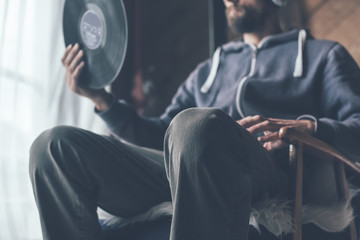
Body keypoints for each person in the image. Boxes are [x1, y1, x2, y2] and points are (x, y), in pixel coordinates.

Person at [29, 0, 360, 239]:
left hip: (266, 170)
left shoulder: (324, 56)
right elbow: (158, 133)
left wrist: (311, 127)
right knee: (54, 147)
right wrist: (101, 98)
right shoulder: (207, 72)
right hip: (187, 166)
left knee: (198, 126)